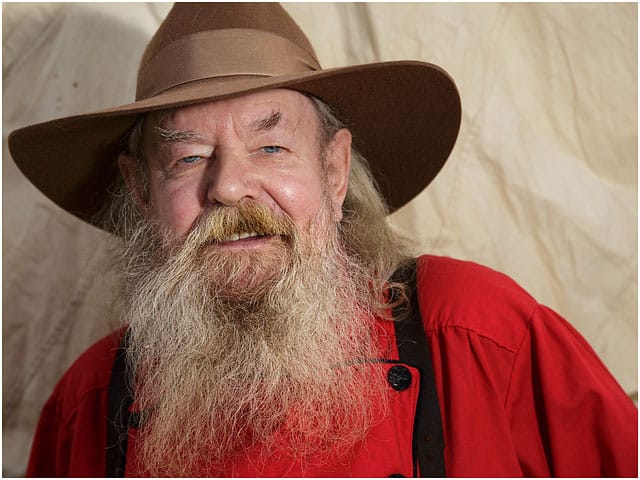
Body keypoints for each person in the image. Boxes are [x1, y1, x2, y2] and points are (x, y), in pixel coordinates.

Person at [8, 3, 637, 477]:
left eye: (272, 147)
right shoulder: (89, 404)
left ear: (334, 173)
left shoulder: (478, 334)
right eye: (190, 158)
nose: (229, 188)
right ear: (141, 191)